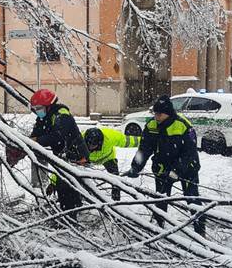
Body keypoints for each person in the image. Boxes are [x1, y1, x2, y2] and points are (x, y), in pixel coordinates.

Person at [123, 95, 205, 236]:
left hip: (187, 169)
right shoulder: (151, 126)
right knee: (161, 199)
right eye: (155, 113)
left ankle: (200, 230)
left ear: (168, 113)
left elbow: (189, 153)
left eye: (159, 114)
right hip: (162, 168)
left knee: (192, 199)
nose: (156, 116)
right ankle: (159, 228)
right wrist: (135, 167)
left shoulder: (182, 126)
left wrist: (176, 171)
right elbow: (144, 149)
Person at [30, 88, 89, 216]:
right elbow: (36, 133)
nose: (37, 111)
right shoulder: (44, 117)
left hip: (76, 156)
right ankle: (72, 211)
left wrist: (38, 140)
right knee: (66, 187)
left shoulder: (61, 115)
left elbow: (58, 136)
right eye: (35, 109)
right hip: (62, 157)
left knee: (66, 187)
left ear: (48, 105)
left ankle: (70, 218)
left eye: (39, 108)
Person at [82, 127, 140, 201]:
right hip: (86, 159)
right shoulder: (80, 139)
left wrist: (144, 141)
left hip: (107, 158)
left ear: (100, 142)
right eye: (89, 144)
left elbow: (129, 141)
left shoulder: (111, 137)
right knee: (80, 176)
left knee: (115, 179)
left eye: (93, 145)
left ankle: (115, 201)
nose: (90, 147)